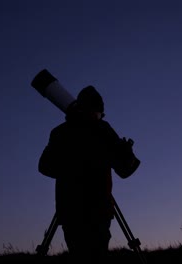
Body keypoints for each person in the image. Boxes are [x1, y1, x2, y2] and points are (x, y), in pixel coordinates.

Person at [38, 85, 140, 263]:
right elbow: (124, 170)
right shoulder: (102, 130)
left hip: (73, 208)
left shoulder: (61, 132)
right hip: (93, 207)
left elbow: (45, 166)